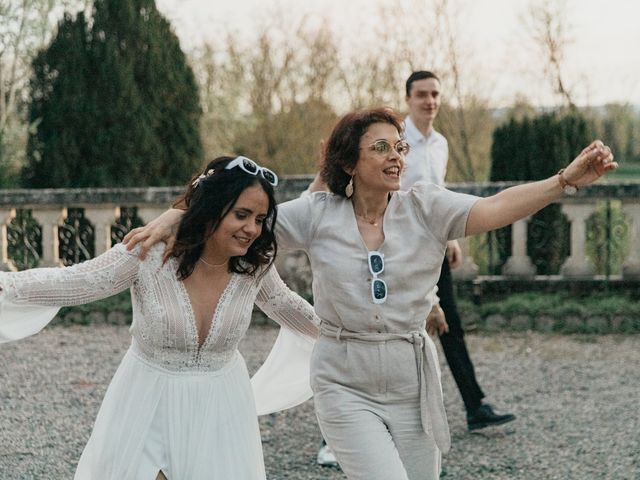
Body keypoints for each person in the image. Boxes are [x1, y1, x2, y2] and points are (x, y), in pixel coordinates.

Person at [125, 108, 615, 480]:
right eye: (381, 147)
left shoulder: (425, 206)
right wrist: (176, 215)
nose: (396, 156)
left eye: (400, 147)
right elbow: (236, 208)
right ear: (349, 161)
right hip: (343, 383)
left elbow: (495, 207)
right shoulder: (316, 214)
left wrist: (563, 182)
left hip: (413, 384)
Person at [0, 156, 319, 480]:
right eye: (241, 215)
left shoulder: (254, 268)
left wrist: (361, 339)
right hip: (149, 401)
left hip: (222, 407)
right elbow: (75, 282)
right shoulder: (150, 254)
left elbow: (295, 312)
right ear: (211, 207)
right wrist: (4, 285)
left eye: (260, 218)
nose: (252, 229)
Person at [403, 70, 516, 431]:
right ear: (408, 99)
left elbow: (439, 195)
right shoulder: (397, 140)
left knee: (448, 323)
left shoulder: (440, 144)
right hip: (401, 249)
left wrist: (451, 236)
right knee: (400, 327)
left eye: (435, 94)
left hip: (434, 246)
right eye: (422, 94)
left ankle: (475, 406)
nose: (430, 101)